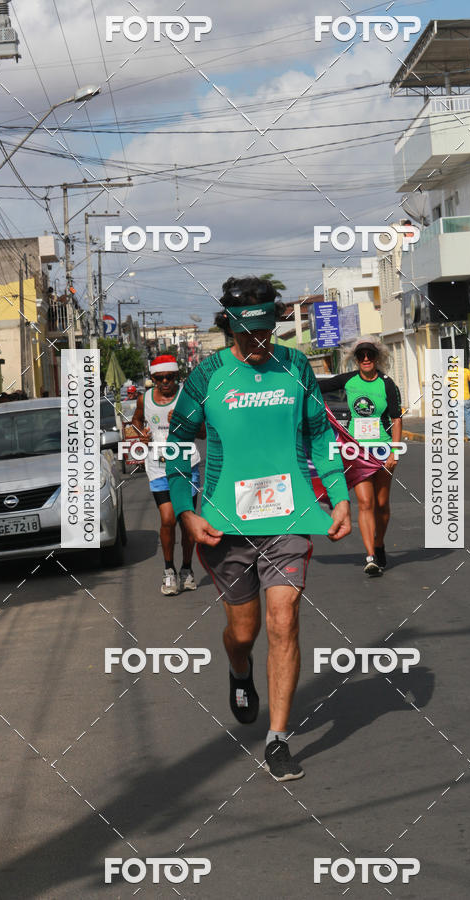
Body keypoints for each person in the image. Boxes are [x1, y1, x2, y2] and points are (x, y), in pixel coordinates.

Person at [166, 276, 351, 781]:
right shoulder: (206, 376)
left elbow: (319, 434)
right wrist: (186, 510)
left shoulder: (295, 367)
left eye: (267, 334)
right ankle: (239, 668)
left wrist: (338, 497)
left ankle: (278, 739)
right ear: (229, 327)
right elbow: (179, 445)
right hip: (225, 524)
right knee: (243, 632)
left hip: (288, 521)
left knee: (284, 618)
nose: (259, 345)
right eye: (249, 336)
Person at [317, 336, 402, 577]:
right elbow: (315, 387)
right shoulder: (348, 380)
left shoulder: (387, 384)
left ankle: (379, 543)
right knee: (365, 503)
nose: (366, 359)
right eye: (361, 356)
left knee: (382, 504)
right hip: (357, 450)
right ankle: (371, 556)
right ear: (356, 359)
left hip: (383, 450)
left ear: (377, 358)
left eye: (370, 355)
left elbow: (396, 419)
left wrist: (394, 451)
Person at [132, 355, 201, 595]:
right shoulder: (145, 399)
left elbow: (202, 431)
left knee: (187, 522)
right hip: (158, 467)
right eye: (159, 378)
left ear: (177, 376)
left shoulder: (187, 396)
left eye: (169, 377)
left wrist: (186, 421)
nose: (165, 382)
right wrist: (141, 434)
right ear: (152, 379)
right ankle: (169, 571)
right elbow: (136, 420)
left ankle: (187, 569)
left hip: (186, 464)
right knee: (168, 519)